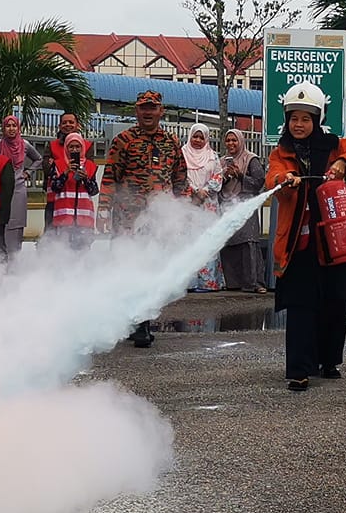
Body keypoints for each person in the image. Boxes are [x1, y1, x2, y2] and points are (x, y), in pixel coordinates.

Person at [266, 82, 346, 391]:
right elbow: (271, 179)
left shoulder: (335, 146)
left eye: (305, 119)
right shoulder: (281, 153)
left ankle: (328, 360)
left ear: (316, 120)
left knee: (335, 302)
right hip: (299, 245)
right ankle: (299, 370)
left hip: (334, 241)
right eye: (294, 118)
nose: (299, 125)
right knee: (301, 306)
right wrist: (284, 180)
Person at [101, 89, 190, 346]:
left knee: (151, 269)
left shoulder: (171, 142)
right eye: (143, 108)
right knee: (127, 268)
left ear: (161, 111)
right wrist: (103, 210)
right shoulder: (123, 140)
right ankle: (132, 322)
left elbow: (180, 179)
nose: (148, 112)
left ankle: (142, 322)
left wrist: (181, 211)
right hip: (127, 219)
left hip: (158, 220)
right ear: (136, 111)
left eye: (152, 108)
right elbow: (110, 177)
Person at [218, 128, 268, 293]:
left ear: (241, 141)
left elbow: (259, 182)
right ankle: (233, 283)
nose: (231, 144)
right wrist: (225, 177)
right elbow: (215, 185)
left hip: (245, 205)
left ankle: (254, 283)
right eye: (228, 140)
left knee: (248, 242)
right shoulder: (223, 162)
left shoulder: (251, 159)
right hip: (227, 205)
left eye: (234, 140)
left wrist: (241, 176)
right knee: (229, 243)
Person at [41, 131, 101, 251]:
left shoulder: (89, 166)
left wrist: (85, 178)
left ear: (82, 148)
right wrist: (65, 173)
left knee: (82, 253)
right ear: (66, 148)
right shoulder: (58, 164)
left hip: (84, 219)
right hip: (64, 218)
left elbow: (94, 190)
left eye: (77, 146)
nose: (74, 150)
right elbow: (54, 187)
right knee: (63, 253)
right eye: (71, 146)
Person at [182, 126, 225, 292]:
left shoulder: (212, 156)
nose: (198, 141)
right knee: (188, 241)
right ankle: (189, 283)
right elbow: (179, 176)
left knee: (208, 240)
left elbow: (218, 176)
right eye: (195, 137)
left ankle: (208, 283)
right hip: (189, 203)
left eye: (201, 137)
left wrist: (205, 191)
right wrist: (194, 190)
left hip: (208, 204)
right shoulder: (182, 154)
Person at [0, 114, 41, 256]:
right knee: (2, 222)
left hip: (18, 188)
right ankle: (1, 258)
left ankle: (15, 259)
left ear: (18, 128)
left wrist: (27, 173)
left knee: (16, 224)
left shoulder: (24, 144)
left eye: (14, 125)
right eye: (8, 126)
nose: (11, 129)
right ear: (3, 128)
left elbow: (38, 159)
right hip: (0, 188)